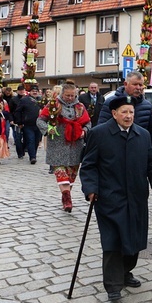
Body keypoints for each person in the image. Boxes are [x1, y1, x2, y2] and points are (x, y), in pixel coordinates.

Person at [80, 95, 152, 302]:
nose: (128, 116)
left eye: (131, 112)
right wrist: (90, 189)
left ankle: (126, 272)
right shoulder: (99, 134)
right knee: (113, 241)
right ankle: (113, 285)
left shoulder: (142, 135)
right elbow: (88, 165)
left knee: (133, 239)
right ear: (114, 114)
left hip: (136, 197)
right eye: (124, 112)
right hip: (109, 197)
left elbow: (150, 164)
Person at [37, 82, 91, 212]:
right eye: (68, 95)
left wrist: (84, 131)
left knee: (71, 175)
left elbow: (88, 122)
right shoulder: (53, 105)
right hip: (57, 144)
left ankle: (65, 195)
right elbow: (40, 120)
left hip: (75, 144)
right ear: (62, 94)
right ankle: (67, 199)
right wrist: (48, 128)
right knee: (61, 173)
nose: (70, 98)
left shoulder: (80, 106)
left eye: (73, 95)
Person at [97, 71, 152, 150]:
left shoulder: (146, 105)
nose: (138, 88)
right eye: (135, 84)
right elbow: (101, 128)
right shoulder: (111, 103)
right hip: (116, 149)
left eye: (140, 85)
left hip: (139, 149)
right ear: (125, 84)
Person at [14, 86, 43, 164]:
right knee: (31, 140)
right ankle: (32, 157)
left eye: (36, 91)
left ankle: (34, 154)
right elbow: (18, 111)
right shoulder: (24, 100)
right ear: (29, 92)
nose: (35, 92)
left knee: (36, 141)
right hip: (28, 124)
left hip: (39, 124)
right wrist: (19, 122)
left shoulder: (41, 100)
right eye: (33, 91)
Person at [9, 84, 27, 158]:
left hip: (26, 121)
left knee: (26, 137)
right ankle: (20, 153)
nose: (22, 91)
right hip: (16, 122)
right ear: (17, 91)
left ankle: (23, 149)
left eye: (23, 90)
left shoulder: (27, 99)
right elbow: (10, 111)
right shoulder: (13, 99)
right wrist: (11, 120)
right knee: (17, 138)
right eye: (20, 90)